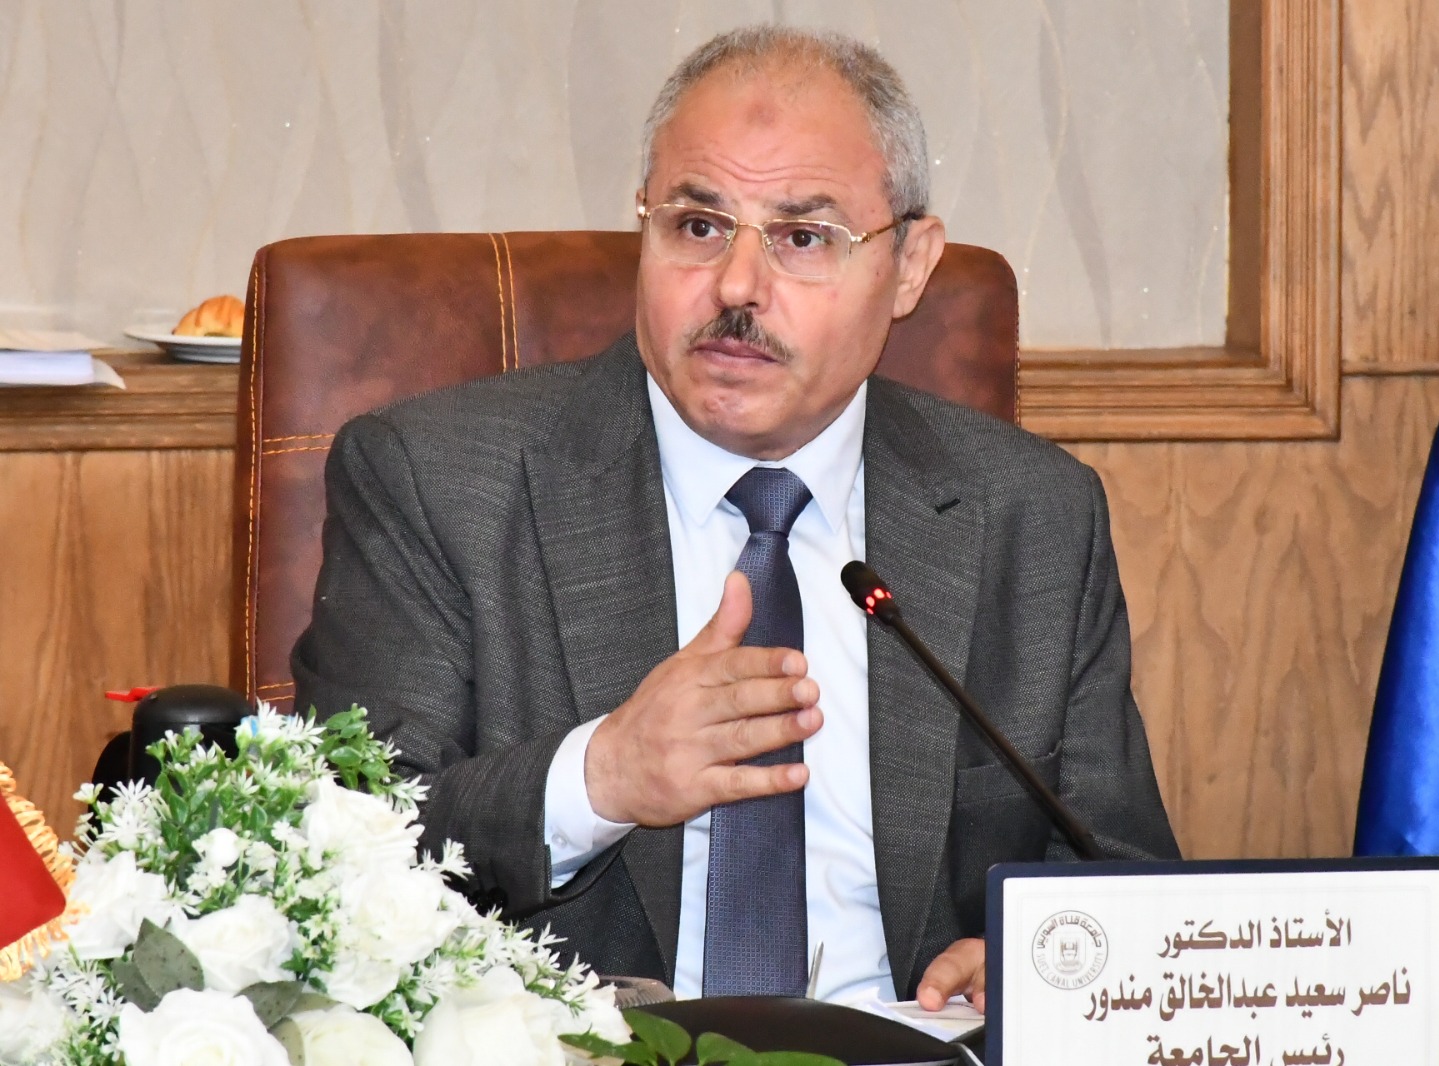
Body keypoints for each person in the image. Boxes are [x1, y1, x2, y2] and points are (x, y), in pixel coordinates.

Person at [291, 25, 1178, 1012]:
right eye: (698, 226)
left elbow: (1124, 884)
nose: (737, 286)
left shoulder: (1032, 515)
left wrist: (1032, 961)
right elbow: (343, 848)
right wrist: (600, 776)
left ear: (910, 267)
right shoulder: (436, 481)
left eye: (803, 238)